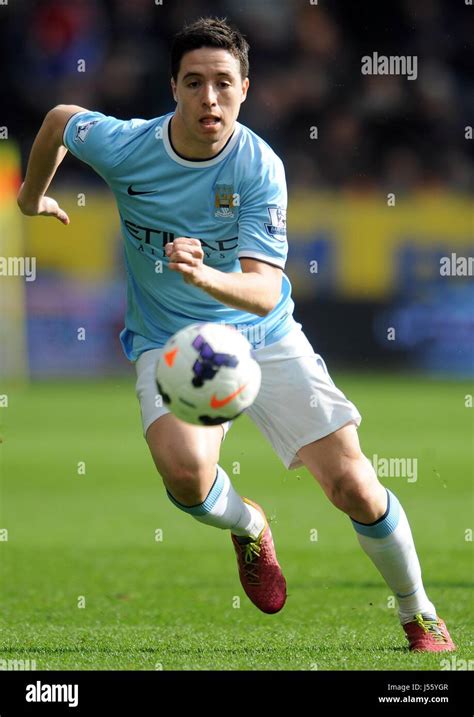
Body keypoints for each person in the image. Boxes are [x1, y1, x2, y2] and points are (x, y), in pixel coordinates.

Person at [17, 16, 454, 653]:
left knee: (354, 485)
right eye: (194, 83)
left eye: (223, 83)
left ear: (245, 88)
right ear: (173, 87)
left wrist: (202, 275)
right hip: (173, 343)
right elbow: (60, 118)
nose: (209, 98)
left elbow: (265, 289)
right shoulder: (128, 145)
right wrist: (31, 198)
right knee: (188, 479)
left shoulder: (258, 168)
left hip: (262, 333)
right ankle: (250, 525)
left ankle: (418, 613)